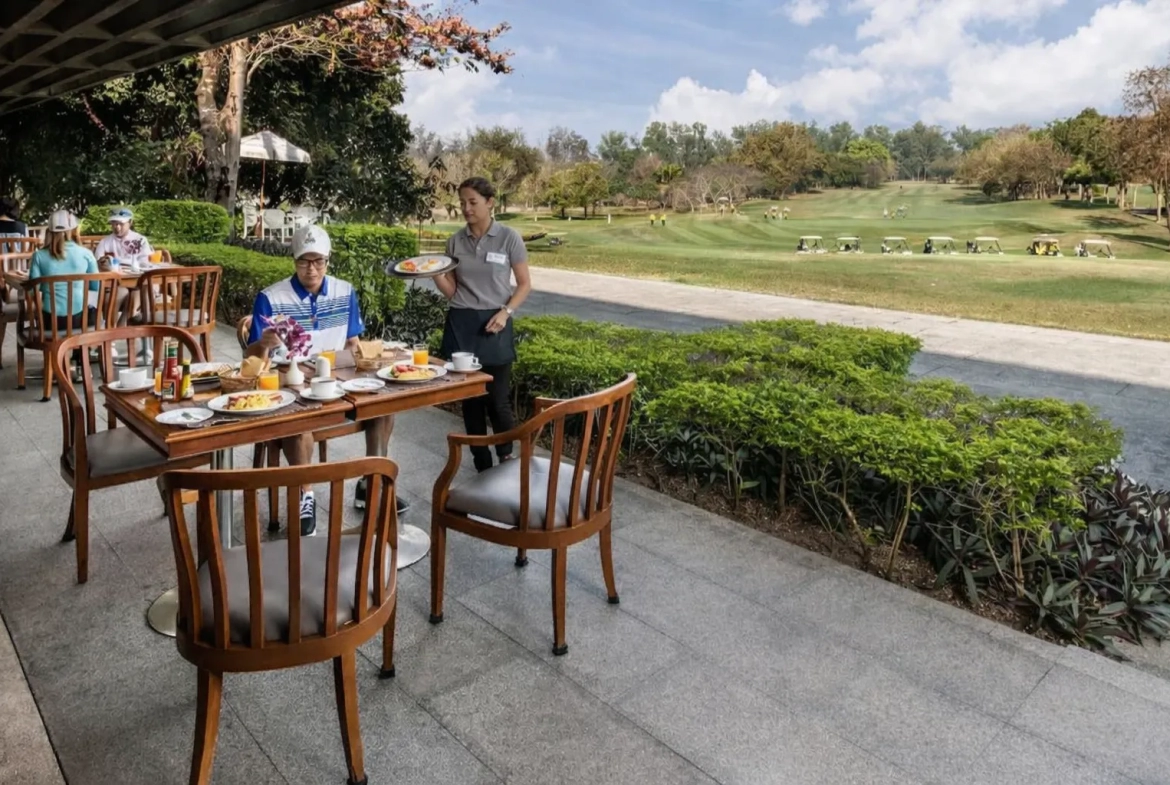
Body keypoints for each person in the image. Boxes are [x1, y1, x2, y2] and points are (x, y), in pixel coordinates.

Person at [245, 225, 394, 536]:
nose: (311, 269)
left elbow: (353, 342)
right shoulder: (270, 298)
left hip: (336, 378)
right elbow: (253, 358)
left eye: (318, 261)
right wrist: (264, 343)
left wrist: (365, 370)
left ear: (328, 260)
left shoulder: (345, 291)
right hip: (291, 380)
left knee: (383, 405)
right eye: (304, 261)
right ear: (294, 260)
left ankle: (371, 481)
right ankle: (305, 494)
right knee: (299, 422)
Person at [434, 177, 532, 473]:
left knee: (498, 401)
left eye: (472, 202)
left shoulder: (508, 238)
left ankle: (506, 457)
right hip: (461, 323)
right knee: (471, 401)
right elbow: (453, 292)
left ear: (490, 202)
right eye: (462, 203)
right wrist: (433, 272)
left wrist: (505, 313)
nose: (466, 208)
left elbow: (525, 284)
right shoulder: (455, 242)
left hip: (496, 322)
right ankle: (481, 463)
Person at [27, 211, 100, 378]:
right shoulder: (85, 254)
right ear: (74, 230)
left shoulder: (39, 256)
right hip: (79, 321)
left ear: (49, 231)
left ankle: (55, 366)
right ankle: (79, 362)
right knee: (91, 309)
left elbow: (32, 290)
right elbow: (96, 286)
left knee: (43, 311)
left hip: (50, 322)